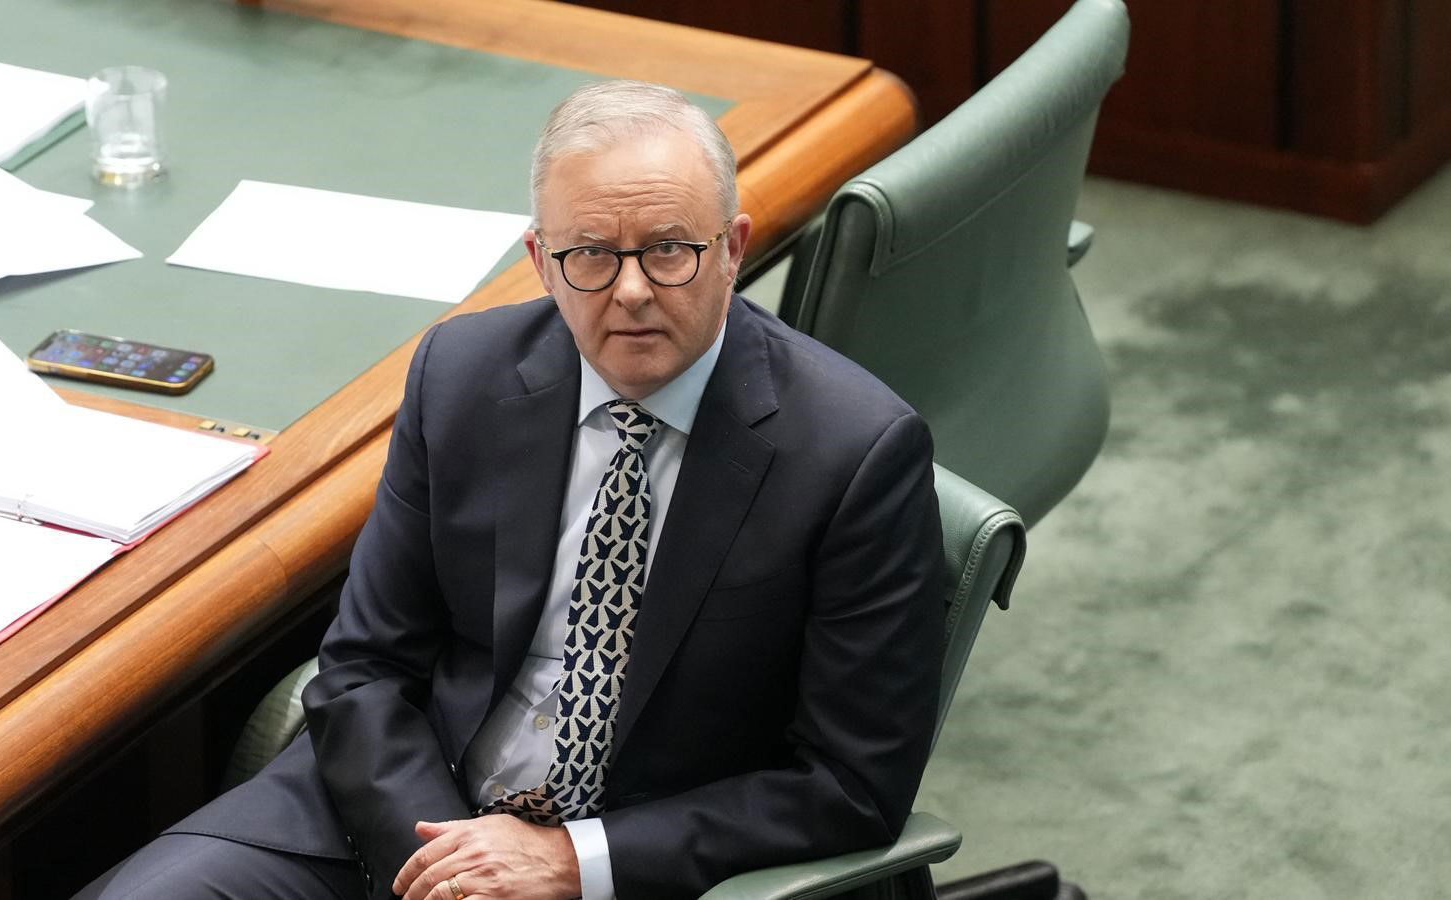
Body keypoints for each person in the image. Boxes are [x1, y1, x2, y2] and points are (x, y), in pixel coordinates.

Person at [76, 79, 946, 900]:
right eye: (591, 255)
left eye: (669, 251)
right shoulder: (463, 374)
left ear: (732, 248)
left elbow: (849, 784)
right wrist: (450, 866)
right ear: (541, 260)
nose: (632, 291)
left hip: (630, 862)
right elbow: (366, 668)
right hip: (401, 815)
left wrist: (572, 861)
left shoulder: (854, 451)